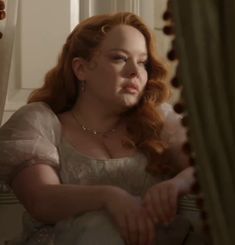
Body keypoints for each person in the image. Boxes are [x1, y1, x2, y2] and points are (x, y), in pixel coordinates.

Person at [0, 12, 203, 245]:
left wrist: (176, 185)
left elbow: (208, 170)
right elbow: (41, 199)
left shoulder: (161, 122)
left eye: (142, 62)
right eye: (119, 58)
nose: (135, 72)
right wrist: (109, 197)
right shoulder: (40, 122)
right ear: (81, 69)